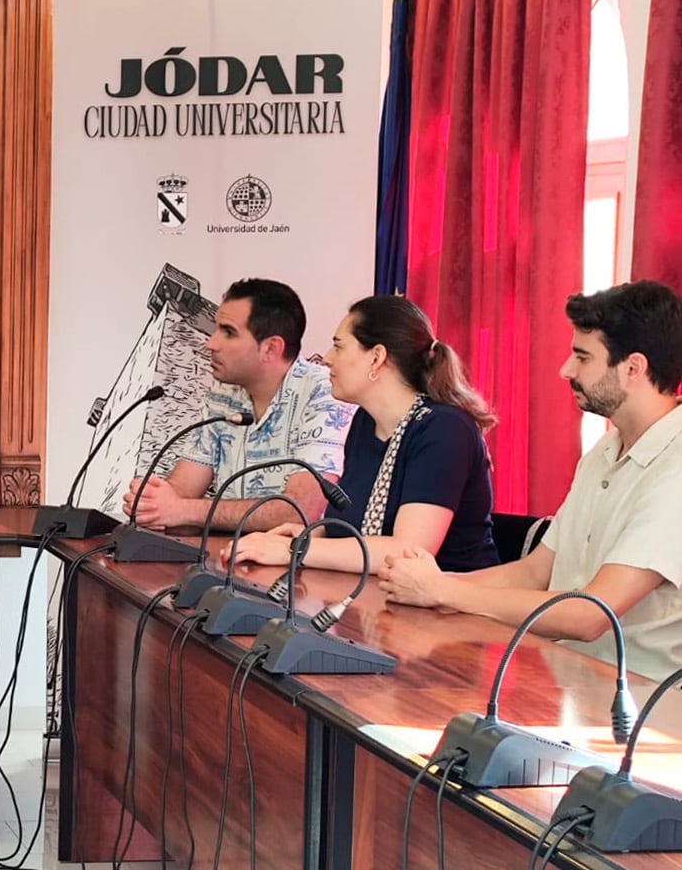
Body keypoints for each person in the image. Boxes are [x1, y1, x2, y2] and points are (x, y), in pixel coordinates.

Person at [381, 280, 682, 680]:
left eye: (582, 357)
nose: (565, 370)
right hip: (566, 677)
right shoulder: (605, 451)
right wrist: (427, 588)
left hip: (639, 706)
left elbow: (593, 614)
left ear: (633, 369)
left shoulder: (674, 467)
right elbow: (533, 573)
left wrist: (441, 591)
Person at [229, 296, 498, 574]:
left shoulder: (445, 429)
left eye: (338, 346)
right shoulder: (363, 422)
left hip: (453, 609)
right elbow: (359, 527)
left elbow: (408, 552)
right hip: (380, 598)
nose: (328, 359)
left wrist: (294, 549)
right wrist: (313, 534)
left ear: (377, 357)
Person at [123, 277, 354, 533]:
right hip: (224, 559)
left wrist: (182, 510)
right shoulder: (223, 393)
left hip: (295, 567)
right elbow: (181, 492)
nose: (211, 343)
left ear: (270, 348)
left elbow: (299, 512)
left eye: (228, 332)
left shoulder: (324, 392)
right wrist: (151, 504)